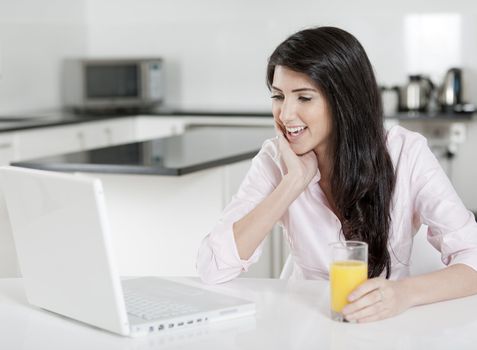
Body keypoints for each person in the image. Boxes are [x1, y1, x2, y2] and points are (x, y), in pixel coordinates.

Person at [196, 26, 477, 322]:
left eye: (304, 98)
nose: (286, 114)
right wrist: (292, 183)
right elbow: (213, 267)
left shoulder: (406, 153)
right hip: (306, 322)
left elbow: (473, 255)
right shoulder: (275, 160)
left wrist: (403, 293)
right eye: (278, 96)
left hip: (385, 325)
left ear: (344, 101)